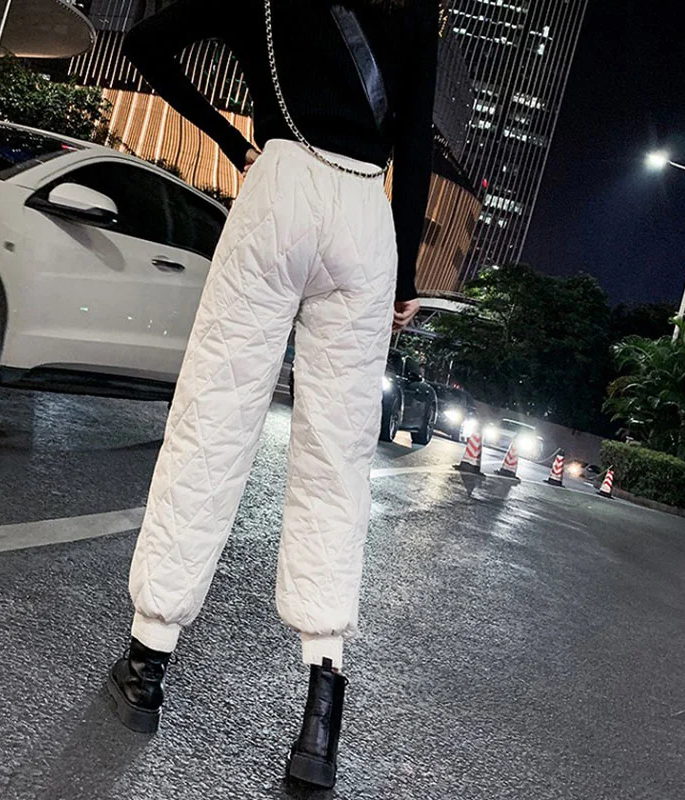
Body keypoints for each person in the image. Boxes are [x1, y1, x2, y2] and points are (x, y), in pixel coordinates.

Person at [106, 0, 439, 788]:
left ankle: (149, 661)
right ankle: (319, 718)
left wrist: (231, 141)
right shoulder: (416, 7)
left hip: (280, 186)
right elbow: (417, 140)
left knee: (214, 420)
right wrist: (405, 274)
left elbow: (146, 43)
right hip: (367, 213)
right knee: (337, 458)